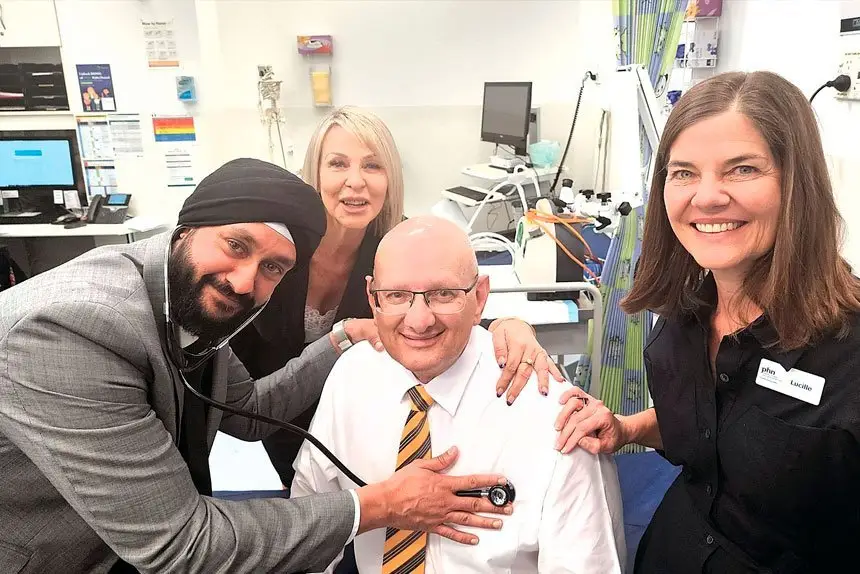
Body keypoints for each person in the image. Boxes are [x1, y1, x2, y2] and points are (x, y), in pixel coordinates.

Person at [0, 159, 519, 574]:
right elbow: (180, 547)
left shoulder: (178, 300)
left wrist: (347, 338)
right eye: (236, 246)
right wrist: (381, 505)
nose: (245, 282)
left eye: (272, 267)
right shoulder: (73, 330)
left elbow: (246, 410)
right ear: (186, 229)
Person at [556, 71, 860, 573]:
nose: (708, 196)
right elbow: (715, 422)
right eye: (684, 172)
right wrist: (626, 427)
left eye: (742, 169)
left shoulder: (847, 355)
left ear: (796, 182)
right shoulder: (685, 316)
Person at [230, 106, 562, 487]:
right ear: (314, 175)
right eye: (338, 164)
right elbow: (240, 395)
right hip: (279, 423)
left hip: (365, 430)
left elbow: (440, 310)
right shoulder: (275, 252)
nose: (355, 182)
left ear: (390, 178)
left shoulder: (398, 248)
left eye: (372, 166)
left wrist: (508, 325)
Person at [291, 215, 626, 573]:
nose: (419, 321)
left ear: (480, 296)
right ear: (373, 299)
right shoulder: (351, 377)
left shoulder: (554, 417)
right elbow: (312, 527)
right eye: (397, 296)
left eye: (443, 294)